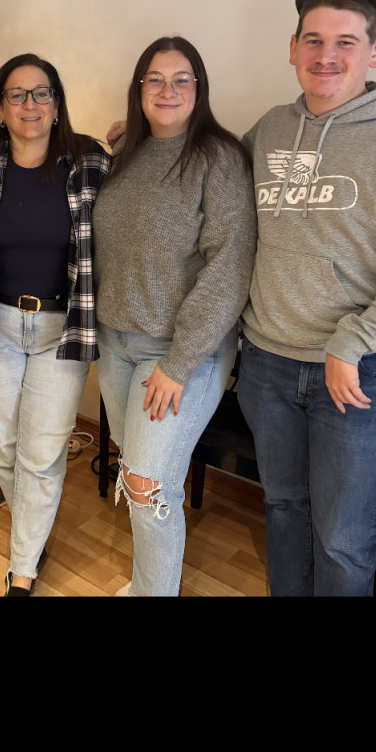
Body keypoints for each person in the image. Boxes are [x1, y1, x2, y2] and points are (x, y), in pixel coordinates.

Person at [236, 0, 376, 597]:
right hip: (266, 365)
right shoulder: (268, 130)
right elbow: (212, 182)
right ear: (293, 47)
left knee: (343, 539)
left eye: (346, 42)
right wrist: (147, 141)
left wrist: (350, 343)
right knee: (283, 509)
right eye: (313, 40)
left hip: (350, 376)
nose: (326, 56)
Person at [95, 37, 256, 598]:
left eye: (182, 79)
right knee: (139, 474)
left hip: (177, 354)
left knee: (146, 484)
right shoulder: (124, 153)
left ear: (199, 88)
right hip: (114, 344)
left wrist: (180, 361)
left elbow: (230, 267)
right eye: (155, 79)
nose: (168, 90)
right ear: (139, 88)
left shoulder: (220, 159)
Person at [0, 55, 111, 596]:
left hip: (63, 327)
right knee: (6, 444)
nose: (30, 105)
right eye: (16, 95)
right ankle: (31, 537)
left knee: (41, 455)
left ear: (57, 104)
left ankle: (22, 570)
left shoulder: (90, 161)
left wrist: (132, 134)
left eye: (42, 93)